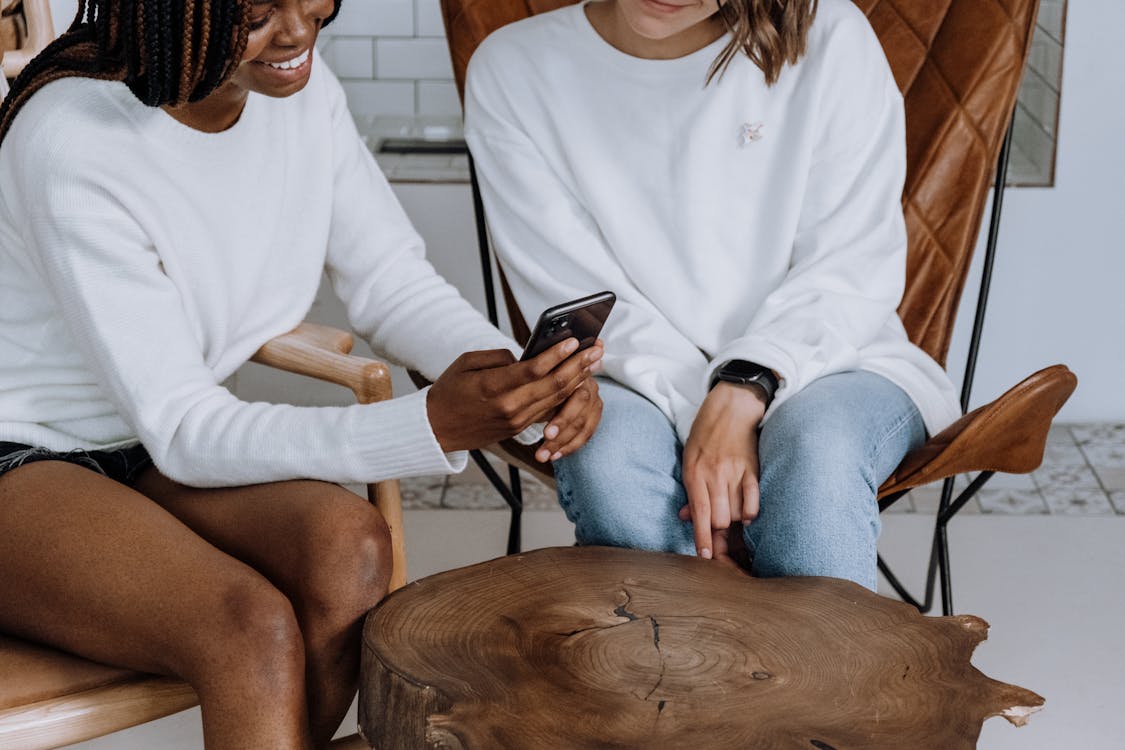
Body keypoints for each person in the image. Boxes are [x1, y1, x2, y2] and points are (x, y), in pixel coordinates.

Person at [0, 1, 602, 748]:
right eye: (257, 12)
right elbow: (188, 428)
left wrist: (520, 376)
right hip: (25, 462)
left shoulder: (298, 92)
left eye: (308, 1)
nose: (296, 33)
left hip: (148, 446)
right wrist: (430, 423)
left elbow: (390, 281)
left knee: (349, 551)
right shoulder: (72, 140)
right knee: (248, 629)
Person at [464, 0, 961, 590]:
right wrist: (707, 432)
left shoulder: (832, 35)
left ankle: (827, 682)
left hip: (837, 357)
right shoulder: (513, 69)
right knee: (614, 467)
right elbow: (585, 299)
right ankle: (669, 678)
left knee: (815, 455)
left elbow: (850, 267)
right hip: (630, 373)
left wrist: (747, 387)